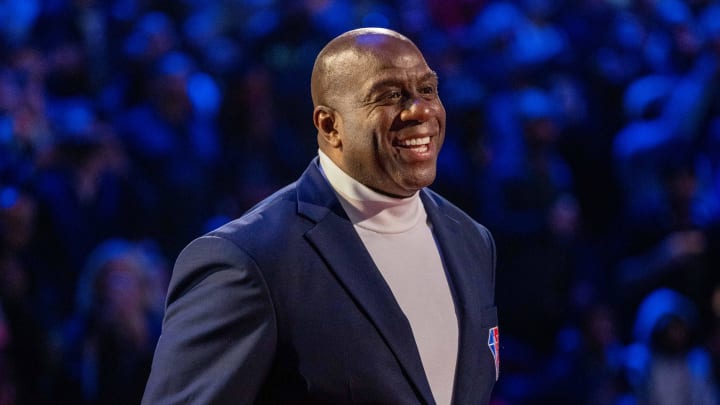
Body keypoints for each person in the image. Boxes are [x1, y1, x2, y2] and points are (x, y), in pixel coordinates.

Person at [142, 27, 499, 405]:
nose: (421, 110)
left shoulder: (472, 239)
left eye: (427, 90)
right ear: (330, 126)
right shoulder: (248, 259)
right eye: (391, 96)